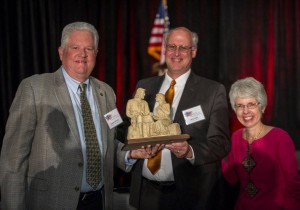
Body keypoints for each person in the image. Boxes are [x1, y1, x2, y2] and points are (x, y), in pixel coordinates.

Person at [0, 22, 121, 210]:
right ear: (61, 52)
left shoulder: (107, 92)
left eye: (89, 48)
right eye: (75, 48)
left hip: (99, 202)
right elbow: (13, 160)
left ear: (96, 54)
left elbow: (111, 143)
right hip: (50, 203)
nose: (83, 54)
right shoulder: (34, 88)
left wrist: (131, 154)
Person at [123, 27, 231, 210]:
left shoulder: (212, 91)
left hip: (190, 196)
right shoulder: (145, 87)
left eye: (184, 47)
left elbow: (220, 143)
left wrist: (190, 151)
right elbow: (129, 129)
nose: (177, 53)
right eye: (172, 46)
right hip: (146, 193)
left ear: (194, 52)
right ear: (164, 49)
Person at [222, 77, 300, 210]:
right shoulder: (235, 137)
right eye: (240, 106)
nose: (245, 111)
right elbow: (232, 178)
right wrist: (215, 155)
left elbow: (294, 185)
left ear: (262, 107)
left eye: (251, 104)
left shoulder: (280, 137)